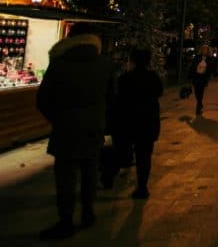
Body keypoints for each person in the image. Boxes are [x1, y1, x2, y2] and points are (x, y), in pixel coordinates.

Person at [36, 23, 114, 241]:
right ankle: (88, 212)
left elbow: (43, 99)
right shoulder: (104, 64)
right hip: (94, 126)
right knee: (90, 170)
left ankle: (66, 220)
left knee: (66, 175)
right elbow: (111, 97)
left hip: (66, 127)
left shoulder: (60, 63)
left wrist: (58, 119)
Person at [117, 48, 163, 199]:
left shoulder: (125, 78)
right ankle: (142, 185)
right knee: (145, 154)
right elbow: (159, 92)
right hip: (148, 121)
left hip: (130, 120)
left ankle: (122, 174)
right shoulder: (153, 77)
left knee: (129, 148)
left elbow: (119, 98)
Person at [187, 44, 216, 116]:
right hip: (196, 77)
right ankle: (200, 103)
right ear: (201, 50)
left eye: (206, 50)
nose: (204, 51)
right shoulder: (197, 57)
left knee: (201, 91)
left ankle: (198, 106)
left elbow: (212, 68)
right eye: (203, 49)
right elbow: (192, 66)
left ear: (208, 51)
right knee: (196, 92)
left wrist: (213, 73)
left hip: (203, 78)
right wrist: (189, 75)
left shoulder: (210, 59)